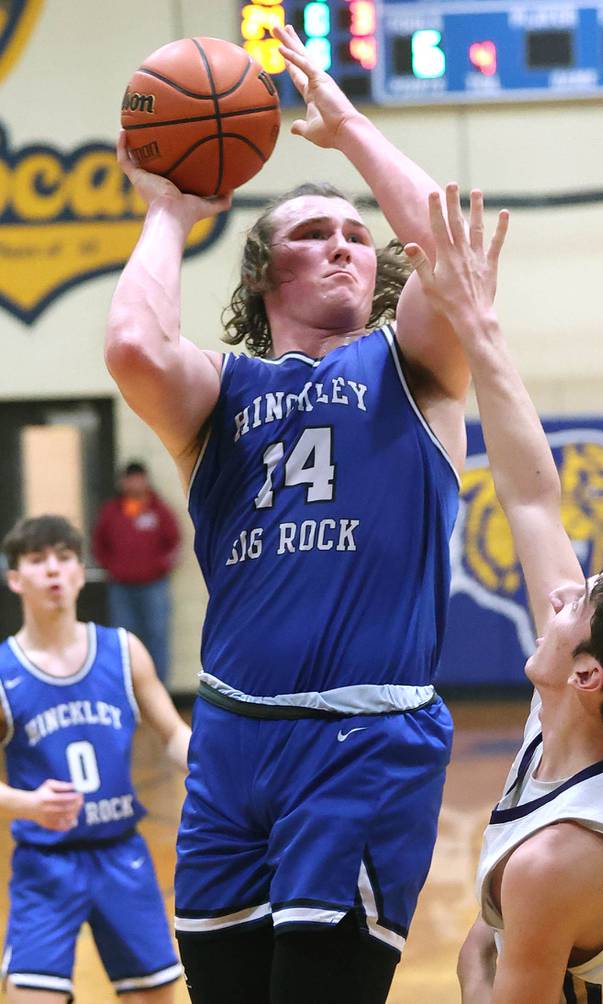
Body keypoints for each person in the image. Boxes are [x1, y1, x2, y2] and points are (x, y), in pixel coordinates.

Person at [105, 23, 473, 1004]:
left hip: (363, 744)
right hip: (231, 743)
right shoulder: (219, 391)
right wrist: (169, 211)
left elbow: (442, 247)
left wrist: (348, 128)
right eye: (312, 233)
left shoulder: (416, 367)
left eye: (356, 232)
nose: (345, 245)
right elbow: (135, 346)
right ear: (264, 272)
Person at [404, 187, 603, 1002]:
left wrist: (475, 964)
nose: (558, 597)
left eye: (576, 605)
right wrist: (478, 327)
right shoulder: (601, 718)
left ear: (588, 673)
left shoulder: (556, 858)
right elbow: (532, 496)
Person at [0, 514, 191, 1002]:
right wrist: (26, 803)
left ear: (81, 572)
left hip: (121, 855)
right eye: (38, 560)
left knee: (156, 996)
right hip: (45, 865)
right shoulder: (4, 671)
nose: (53, 571)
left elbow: (171, 734)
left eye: (64, 558)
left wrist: (218, 765)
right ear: (15, 578)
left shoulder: (123, 651)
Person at [92, 460, 180, 685]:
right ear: (123, 482)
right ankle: (127, 690)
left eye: (139, 478)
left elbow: (174, 542)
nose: (135, 483)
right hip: (121, 587)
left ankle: (160, 690)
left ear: (146, 480)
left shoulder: (158, 510)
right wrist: (112, 566)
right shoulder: (112, 511)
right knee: (124, 640)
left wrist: (161, 566)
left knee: (156, 638)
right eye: (130, 479)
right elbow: (98, 544)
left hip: (154, 587)